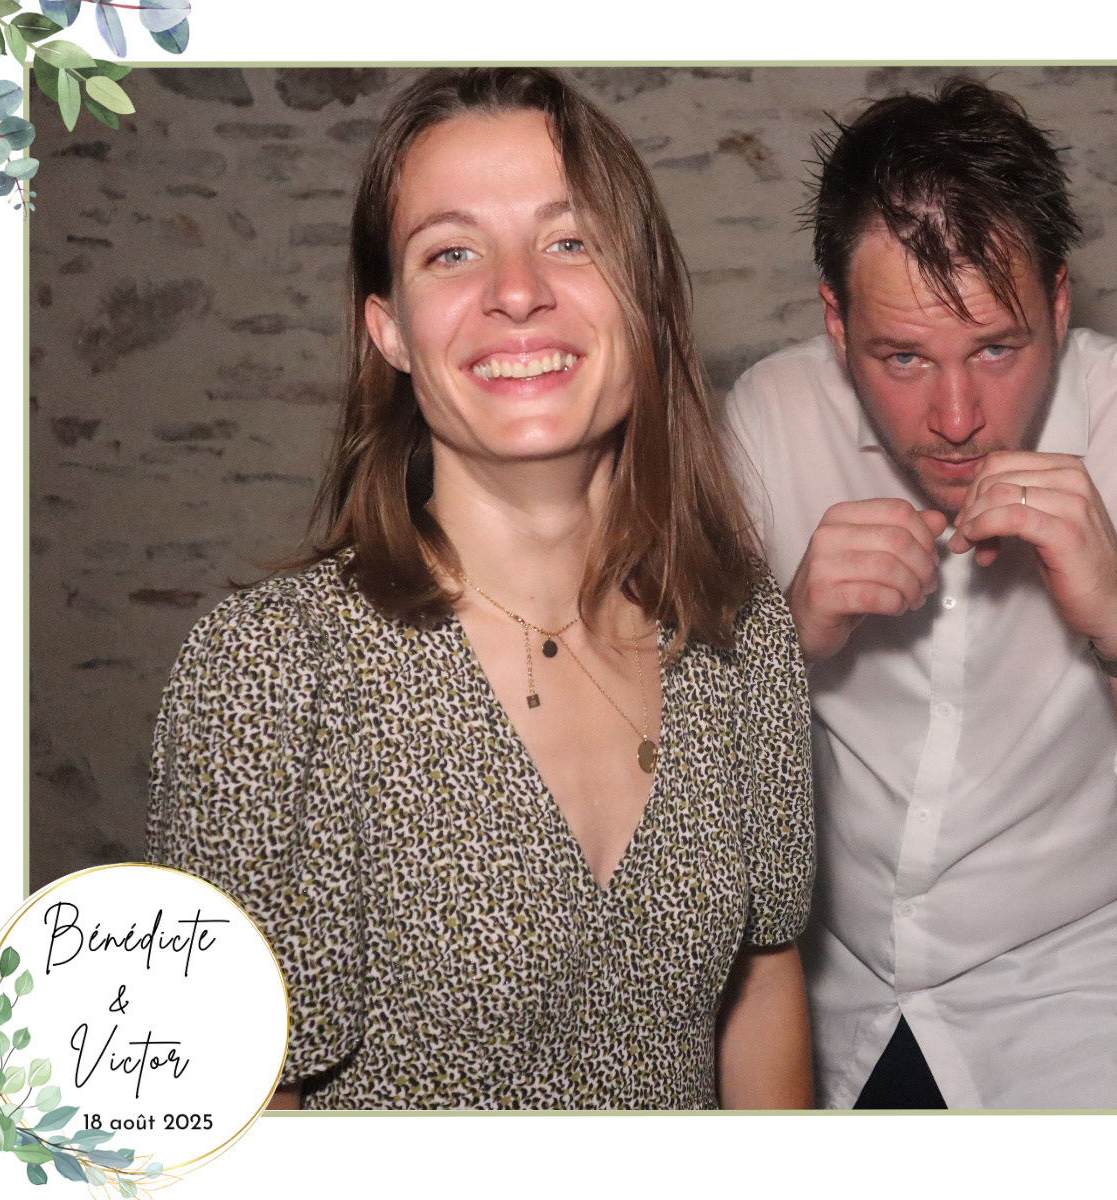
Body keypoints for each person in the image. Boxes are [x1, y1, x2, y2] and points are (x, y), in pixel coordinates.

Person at [146, 68, 814, 1110]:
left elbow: (765, 988)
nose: (516, 290)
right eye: (451, 252)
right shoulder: (272, 671)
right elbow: (235, 1109)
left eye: (571, 240)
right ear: (390, 331)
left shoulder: (742, 631)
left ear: (645, 299)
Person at [722, 78, 1117, 1109]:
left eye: (996, 349)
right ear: (835, 321)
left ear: (1058, 303)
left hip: (1084, 1033)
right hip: (828, 1020)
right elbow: (665, 771)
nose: (957, 416)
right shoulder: (770, 416)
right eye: (903, 357)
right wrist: (784, 639)